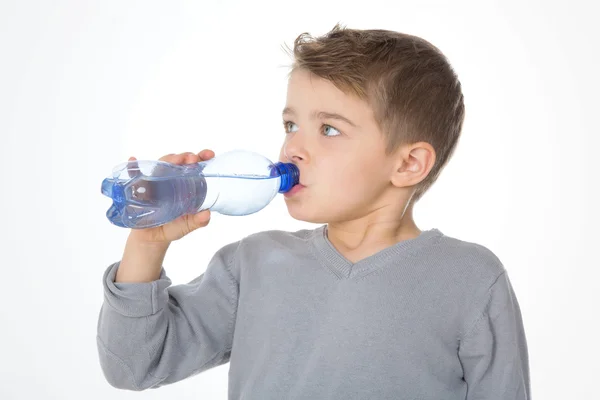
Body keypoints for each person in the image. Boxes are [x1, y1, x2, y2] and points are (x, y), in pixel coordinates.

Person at [97, 24, 530, 399]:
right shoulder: (252, 265)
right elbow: (134, 366)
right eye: (291, 125)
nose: (292, 148)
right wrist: (147, 243)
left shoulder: (470, 279)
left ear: (407, 164)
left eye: (328, 129)